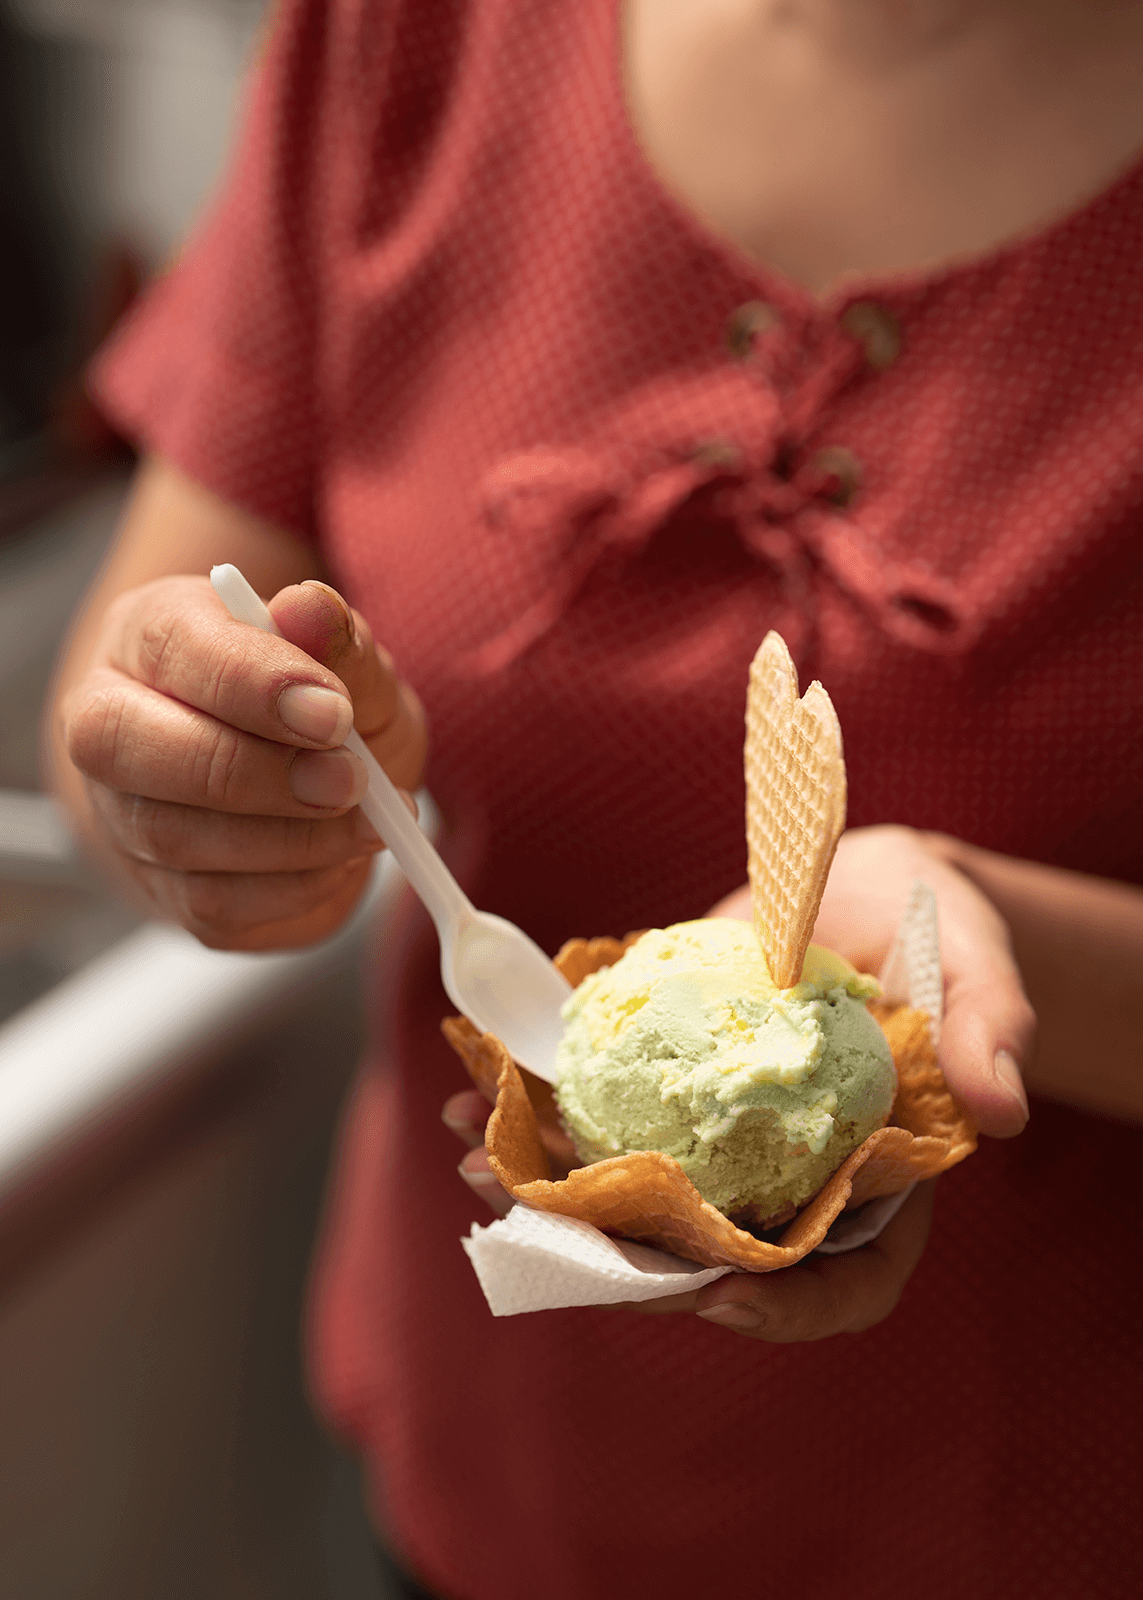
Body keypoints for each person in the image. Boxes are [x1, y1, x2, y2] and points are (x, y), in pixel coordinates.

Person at [46, 2, 1143, 1596]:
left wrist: (1006, 957)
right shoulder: (402, 34)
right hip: (486, 1479)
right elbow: (129, 698)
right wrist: (213, 793)